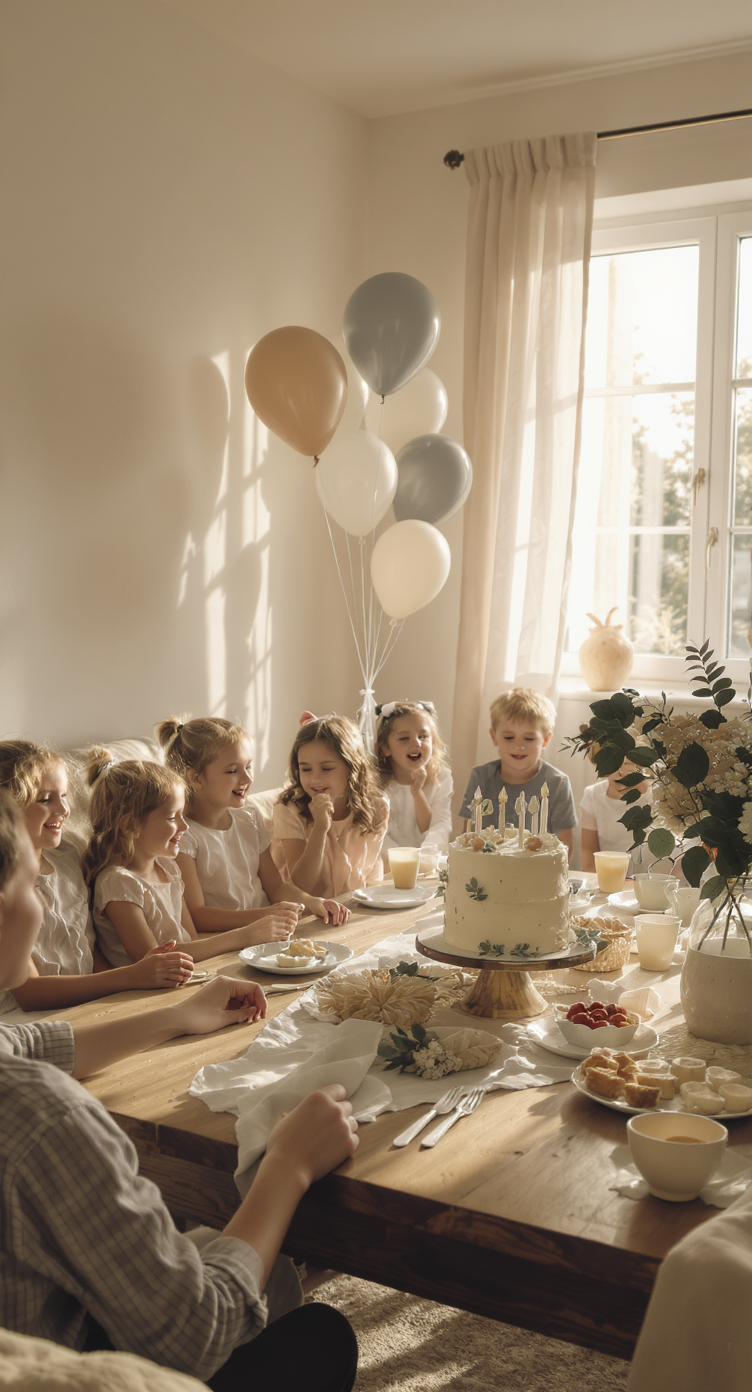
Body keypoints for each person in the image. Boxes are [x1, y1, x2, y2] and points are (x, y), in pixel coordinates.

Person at [0, 787, 359, 1389]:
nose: (38, 900)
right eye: (32, 883)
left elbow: (25, 1043)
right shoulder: (39, 1118)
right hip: (72, 1367)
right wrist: (287, 1166)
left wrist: (177, 1015)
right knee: (319, 1337)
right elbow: (195, 1332)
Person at [0, 740, 194, 1012]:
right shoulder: (6, 888)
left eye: (64, 795)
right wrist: (132, 977)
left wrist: (116, 997)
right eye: (45, 799)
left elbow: (91, 948)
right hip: (25, 1018)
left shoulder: (68, 856)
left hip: (91, 999)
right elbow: (31, 994)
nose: (64, 810)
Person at [83, 751, 300, 967]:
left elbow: (191, 940)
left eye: (182, 815)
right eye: (171, 817)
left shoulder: (167, 868)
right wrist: (244, 936)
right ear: (130, 825)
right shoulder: (117, 883)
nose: (184, 826)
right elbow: (153, 961)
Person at [157, 716, 349, 935]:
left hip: (267, 932)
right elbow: (198, 915)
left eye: (248, 766)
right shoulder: (183, 836)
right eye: (232, 771)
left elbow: (276, 887)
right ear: (196, 778)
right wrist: (267, 915)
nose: (247, 778)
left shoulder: (249, 818)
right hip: (226, 940)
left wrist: (314, 902)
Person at [271, 716, 388, 897]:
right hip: (303, 912)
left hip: (354, 905)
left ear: (352, 767)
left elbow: (370, 872)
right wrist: (320, 828)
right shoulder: (289, 810)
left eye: (326, 768)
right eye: (306, 769)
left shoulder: (375, 806)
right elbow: (302, 886)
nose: (315, 779)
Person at [459, 689, 577, 851]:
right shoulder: (480, 777)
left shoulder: (557, 783)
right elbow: (467, 839)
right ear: (494, 736)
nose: (519, 746)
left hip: (535, 872)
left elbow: (564, 848)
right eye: (509, 737)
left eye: (529, 739)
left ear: (546, 740)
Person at [374, 700, 453, 860]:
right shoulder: (377, 783)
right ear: (386, 748)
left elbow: (438, 825)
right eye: (404, 738)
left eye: (423, 736)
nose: (416, 743)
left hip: (427, 863)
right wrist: (404, 859)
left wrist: (426, 855)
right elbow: (376, 833)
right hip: (388, 864)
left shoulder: (441, 778)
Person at [580, 749, 651, 873]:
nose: (621, 772)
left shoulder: (662, 795)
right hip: (612, 881)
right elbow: (589, 853)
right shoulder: (593, 795)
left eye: (628, 763)